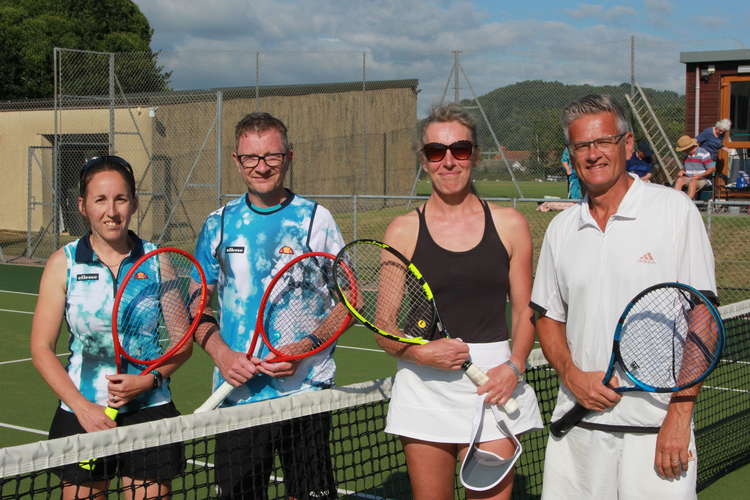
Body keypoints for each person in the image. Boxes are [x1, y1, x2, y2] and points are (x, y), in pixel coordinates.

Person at [532, 94, 716, 499]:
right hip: (577, 429)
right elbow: (546, 316)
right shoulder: (561, 229)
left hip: (657, 431)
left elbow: (701, 318)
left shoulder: (674, 211)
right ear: (572, 153)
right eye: (582, 146)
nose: (593, 154)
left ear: (628, 145)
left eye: (604, 142)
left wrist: (679, 416)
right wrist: (571, 375)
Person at [379, 103, 542, 500]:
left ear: (475, 156)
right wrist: (421, 355)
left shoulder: (510, 225)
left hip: (495, 385)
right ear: (424, 159)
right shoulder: (401, 230)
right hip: (423, 389)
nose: (448, 161)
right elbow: (384, 326)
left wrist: (515, 367)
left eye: (460, 150)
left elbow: (524, 311)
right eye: (436, 151)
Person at [192, 112, 345, 499]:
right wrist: (222, 354)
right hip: (237, 397)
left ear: (288, 157)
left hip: (305, 392)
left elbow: (349, 302)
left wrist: (306, 347)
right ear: (236, 161)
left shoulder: (317, 220)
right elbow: (197, 304)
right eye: (251, 158)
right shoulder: (218, 224)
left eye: (272, 157)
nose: (262, 167)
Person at [30, 156, 187, 500]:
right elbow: (41, 348)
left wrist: (149, 380)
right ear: (83, 206)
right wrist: (83, 408)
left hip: (150, 412)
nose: (111, 211)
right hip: (81, 413)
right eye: (100, 200)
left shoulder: (158, 260)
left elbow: (182, 342)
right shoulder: (64, 263)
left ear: (133, 202)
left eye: (120, 199)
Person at [673, 135, 716, 199]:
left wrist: (700, 175)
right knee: (679, 180)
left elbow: (712, 169)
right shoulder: (686, 156)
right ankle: (676, 201)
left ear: (689, 148)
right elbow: (684, 168)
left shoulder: (703, 153)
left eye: (684, 150)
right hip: (689, 178)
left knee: (693, 181)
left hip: (702, 179)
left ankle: (688, 203)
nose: (683, 152)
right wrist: (681, 171)